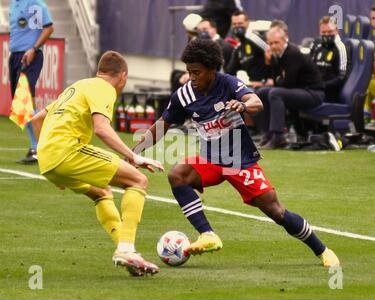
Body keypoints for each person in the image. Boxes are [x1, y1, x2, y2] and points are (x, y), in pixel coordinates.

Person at [134, 39, 340, 268]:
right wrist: (134, 153)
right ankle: (208, 235)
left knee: (276, 211)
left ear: (212, 70)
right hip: (210, 159)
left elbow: (256, 101)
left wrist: (243, 106)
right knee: (178, 175)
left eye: (197, 72)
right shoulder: (184, 96)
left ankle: (322, 250)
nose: (192, 77)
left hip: (239, 161)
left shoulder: (229, 84)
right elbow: (161, 126)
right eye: (189, 72)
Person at [30, 51, 164, 277]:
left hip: (47, 158)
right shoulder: (105, 89)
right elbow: (101, 128)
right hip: (68, 151)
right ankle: (126, 249)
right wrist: (134, 157)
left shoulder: (79, 86)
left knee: (101, 192)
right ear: (123, 76)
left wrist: (51, 164)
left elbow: (37, 119)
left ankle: (126, 252)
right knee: (138, 179)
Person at [256, 26, 325, 149]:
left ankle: (278, 137)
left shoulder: (292, 53)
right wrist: (269, 63)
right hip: (298, 91)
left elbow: (288, 83)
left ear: (285, 40)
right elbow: (275, 79)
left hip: (313, 93)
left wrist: (279, 80)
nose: (273, 46)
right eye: (270, 43)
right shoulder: (277, 55)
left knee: (275, 93)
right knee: (261, 92)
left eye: (276, 42)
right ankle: (267, 134)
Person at [9, 0, 54, 164]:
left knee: (25, 100)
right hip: (15, 56)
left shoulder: (35, 3)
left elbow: (48, 27)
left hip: (29, 56)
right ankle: (37, 147)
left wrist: (33, 49)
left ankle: (40, 147)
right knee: (21, 106)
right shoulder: (14, 3)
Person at [226, 11, 272, 89]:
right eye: (234, 24)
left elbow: (272, 55)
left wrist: (269, 80)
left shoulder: (255, 38)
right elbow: (230, 71)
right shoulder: (238, 47)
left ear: (247, 23)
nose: (237, 27)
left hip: (265, 85)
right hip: (252, 84)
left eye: (240, 23)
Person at [310, 16, 348, 103]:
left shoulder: (341, 48)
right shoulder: (317, 45)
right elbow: (309, 67)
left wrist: (321, 85)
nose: (327, 35)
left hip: (328, 93)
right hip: (314, 89)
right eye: (324, 32)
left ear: (336, 30)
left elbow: (342, 78)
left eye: (330, 32)